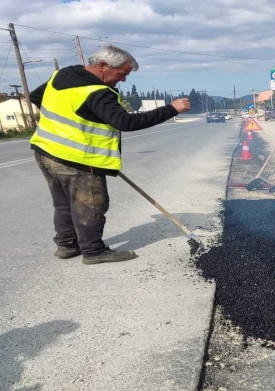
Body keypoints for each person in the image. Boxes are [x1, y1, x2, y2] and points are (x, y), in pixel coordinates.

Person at [29, 45, 191, 265]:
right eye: (121, 74)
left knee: (64, 203)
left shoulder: (63, 75)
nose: (122, 80)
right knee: (91, 205)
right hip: (79, 158)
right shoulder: (97, 92)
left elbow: (36, 96)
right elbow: (126, 121)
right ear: (103, 66)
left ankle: (67, 246)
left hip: (46, 151)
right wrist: (171, 109)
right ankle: (94, 251)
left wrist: (70, 120)